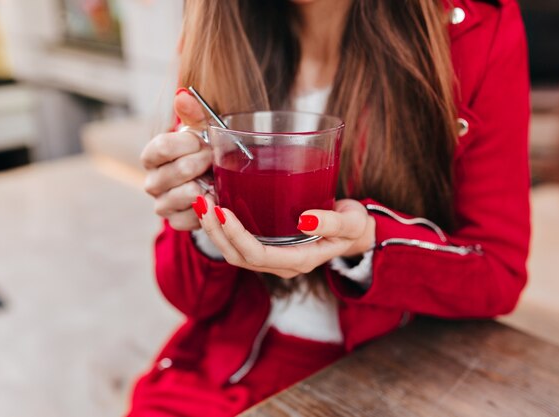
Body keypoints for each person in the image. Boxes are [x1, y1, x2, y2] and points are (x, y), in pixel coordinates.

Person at [128, 0, 530, 415]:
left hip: (379, 376)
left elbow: (498, 273)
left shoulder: (475, 31)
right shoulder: (218, 26)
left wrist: (368, 242)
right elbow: (187, 296)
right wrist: (204, 218)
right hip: (221, 373)